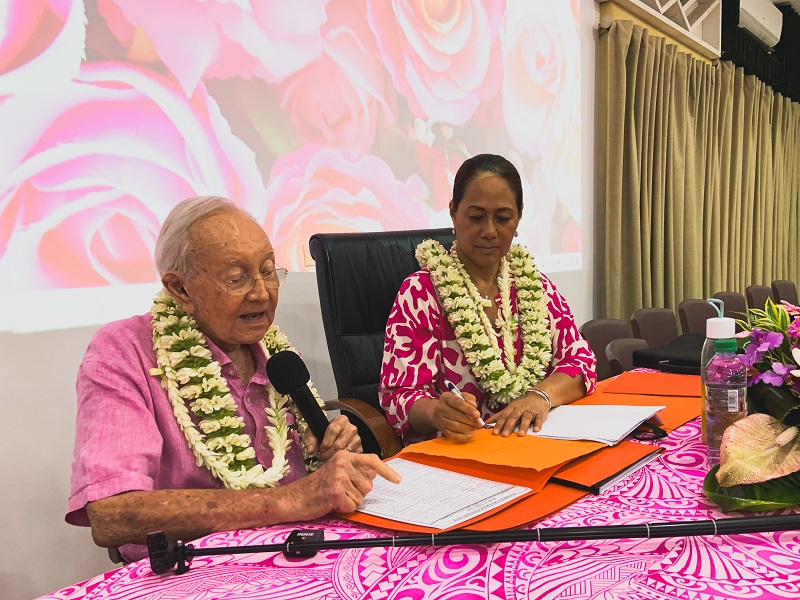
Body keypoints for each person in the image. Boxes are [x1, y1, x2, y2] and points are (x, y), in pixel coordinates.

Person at [67, 197, 400, 562]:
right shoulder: (125, 353)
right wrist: (290, 499)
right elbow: (111, 515)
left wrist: (329, 450)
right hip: (193, 570)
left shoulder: (276, 353)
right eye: (236, 278)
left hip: (299, 552)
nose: (261, 292)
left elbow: (306, 474)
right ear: (180, 289)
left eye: (269, 270)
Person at [380, 154, 597, 444]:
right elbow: (400, 395)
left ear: (518, 218)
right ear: (453, 213)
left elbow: (580, 361)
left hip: (534, 445)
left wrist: (540, 396)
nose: (490, 231)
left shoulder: (537, 286)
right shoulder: (421, 292)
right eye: (476, 217)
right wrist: (436, 412)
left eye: (503, 218)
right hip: (461, 452)